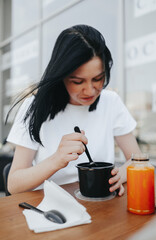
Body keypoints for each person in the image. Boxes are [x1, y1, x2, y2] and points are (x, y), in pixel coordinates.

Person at [7, 24, 141, 196]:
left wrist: (118, 176)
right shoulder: (33, 107)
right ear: (61, 76)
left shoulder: (110, 101)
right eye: (78, 82)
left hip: (101, 205)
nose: (91, 91)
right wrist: (57, 159)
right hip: (53, 209)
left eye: (98, 79)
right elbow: (14, 184)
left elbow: (137, 159)